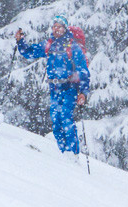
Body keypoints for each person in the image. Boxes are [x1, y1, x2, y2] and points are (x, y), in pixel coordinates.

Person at [15, 16, 90, 156]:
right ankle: (64, 153)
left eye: (60, 26)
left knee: (66, 118)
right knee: (56, 121)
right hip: (54, 89)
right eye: (54, 26)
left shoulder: (73, 48)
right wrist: (20, 42)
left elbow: (83, 71)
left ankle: (73, 155)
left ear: (65, 28)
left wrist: (83, 93)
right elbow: (30, 52)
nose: (56, 29)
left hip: (69, 88)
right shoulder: (49, 45)